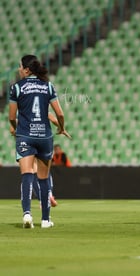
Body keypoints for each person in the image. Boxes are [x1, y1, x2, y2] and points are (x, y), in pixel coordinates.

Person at [9, 54, 69, 228]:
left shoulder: (17, 88)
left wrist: (15, 128)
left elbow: (12, 117)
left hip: (25, 136)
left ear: (27, 70)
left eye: (20, 67)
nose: (19, 70)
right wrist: (61, 127)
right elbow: (60, 114)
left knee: (27, 174)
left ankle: (27, 214)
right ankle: (45, 220)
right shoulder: (48, 86)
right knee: (43, 179)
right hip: (44, 137)